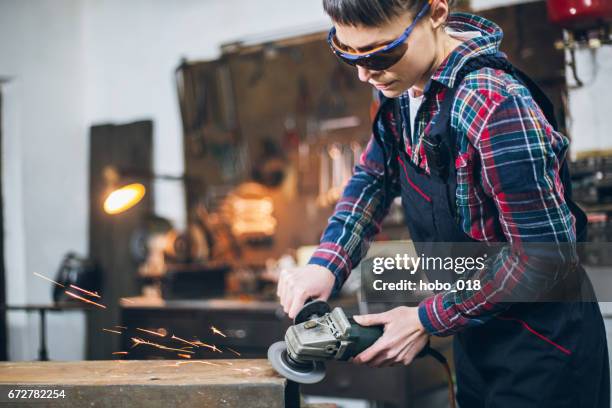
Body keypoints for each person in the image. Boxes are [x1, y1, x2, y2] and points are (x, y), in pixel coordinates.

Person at [277, 0, 610, 406]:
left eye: (381, 53)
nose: (365, 73)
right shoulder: (402, 90)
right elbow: (374, 180)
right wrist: (326, 264)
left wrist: (425, 319)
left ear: (436, 13)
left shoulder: (494, 103)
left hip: (544, 349)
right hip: (478, 333)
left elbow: (543, 257)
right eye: (347, 53)